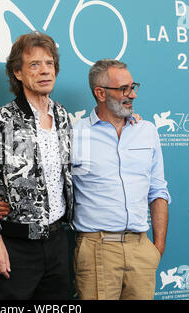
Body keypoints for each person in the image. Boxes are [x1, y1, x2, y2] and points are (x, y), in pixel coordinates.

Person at [0, 32, 74, 300]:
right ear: (18, 73)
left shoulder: (63, 116)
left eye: (49, 63)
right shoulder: (0, 120)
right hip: (17, 246)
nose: (44, 71)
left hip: (57, 241)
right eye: (34, 65)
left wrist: (128, 119)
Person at [72, 59, 171, 300]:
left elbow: (158, 190)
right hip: (98, 249)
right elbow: (54, 185)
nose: (133, 94)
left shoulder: (146, 131)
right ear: (100, 93)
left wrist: (156, 249)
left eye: (133, 86)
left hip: (141, 250)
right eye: (124, 89)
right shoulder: (77, 134)